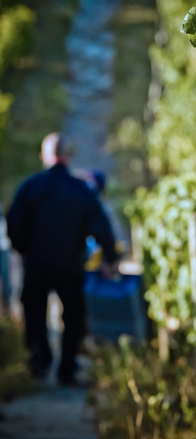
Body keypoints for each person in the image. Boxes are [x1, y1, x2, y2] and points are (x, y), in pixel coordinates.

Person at [6, 132, 118, 384]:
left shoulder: (29, 187)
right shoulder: (80, 190)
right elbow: (101, 225)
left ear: (44, 156)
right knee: (73, 316)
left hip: (36, 264)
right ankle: (67, 370)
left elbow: (13, 225)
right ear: (67, 156)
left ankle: (39, 362)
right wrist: (110, 259)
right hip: (70, 264)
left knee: (34, 312)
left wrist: (24, 250)